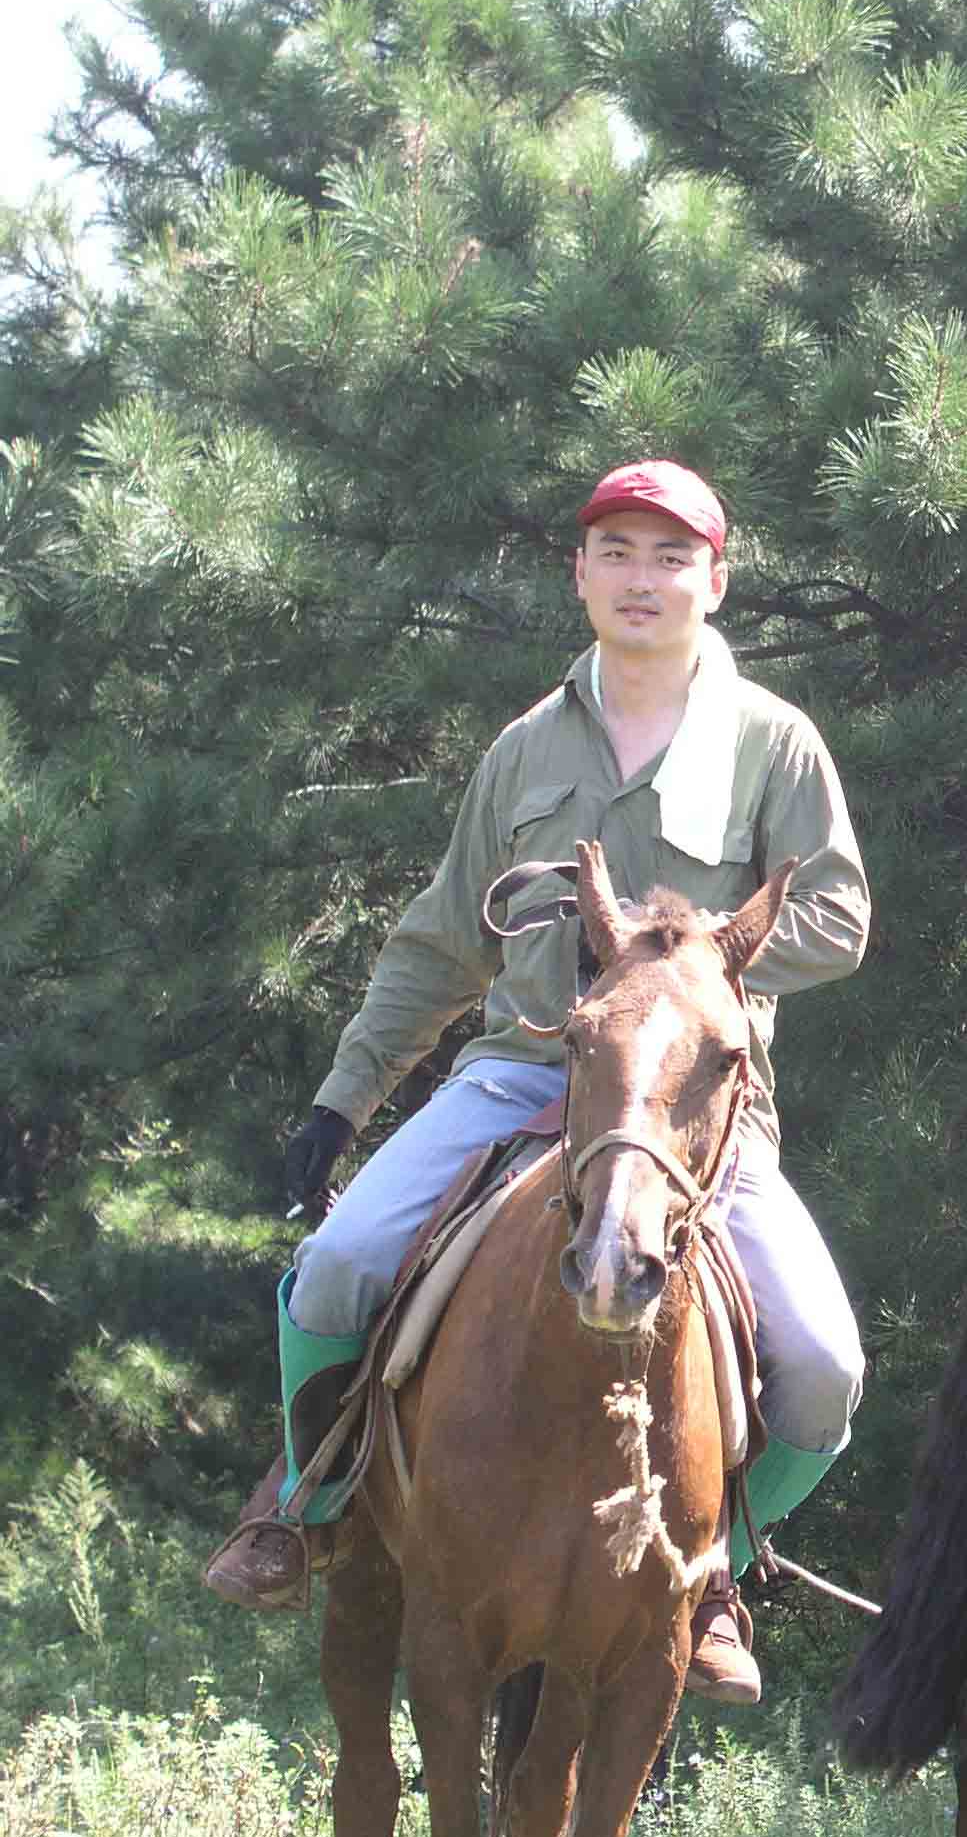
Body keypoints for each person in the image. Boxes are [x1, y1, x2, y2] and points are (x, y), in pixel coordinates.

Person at [203, 459, 872, 1706]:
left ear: (714, 582)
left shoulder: (776, 742)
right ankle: (307, 1501)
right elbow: (444, 939)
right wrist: (342, 1098)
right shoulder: (524, 747)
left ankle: (719, 1562)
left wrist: (687, 956)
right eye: (616, 551)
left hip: (687, 1113)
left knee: (827, 1365)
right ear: (579, 574)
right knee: (340, 1266)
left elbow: (838, 919)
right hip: (519, 1077)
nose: (642, 577)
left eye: (671, 556)